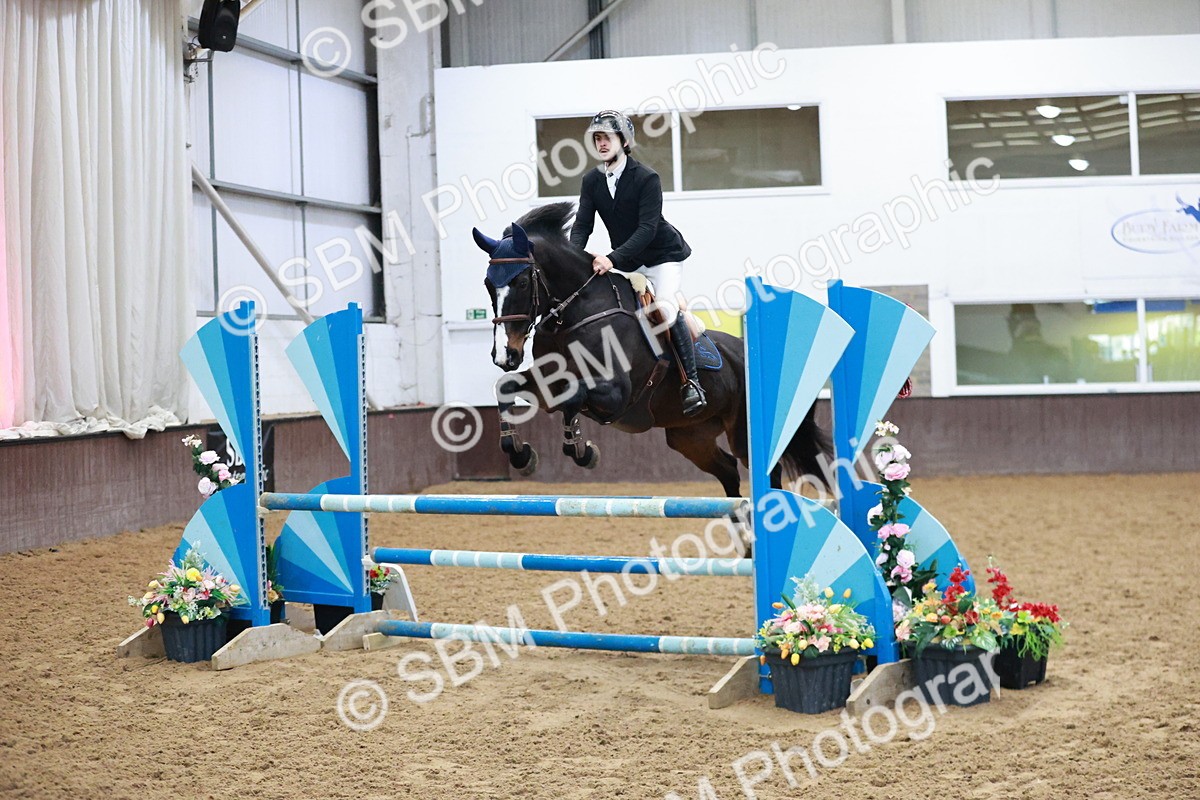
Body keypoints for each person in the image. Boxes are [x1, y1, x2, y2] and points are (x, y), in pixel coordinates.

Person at [568, 110, 707, 416]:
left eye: (608, 137)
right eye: (597, 138)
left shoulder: (646, 178)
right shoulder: (592, 180)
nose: (602, 143)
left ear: (624, 141)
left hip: (662, 257)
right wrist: (570, 255)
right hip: (628, 260)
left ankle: (692, 383)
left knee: (665, 310)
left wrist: (611, 258)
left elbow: (647, 229)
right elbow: (582, 225)